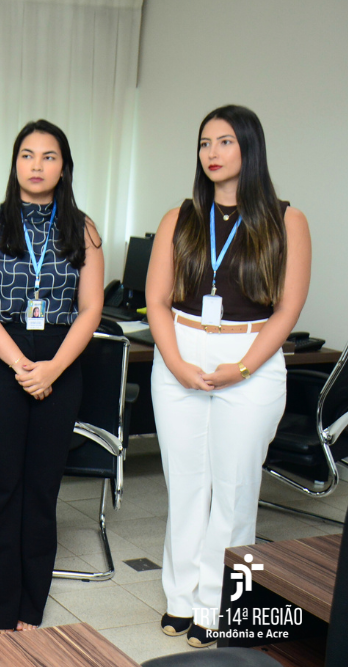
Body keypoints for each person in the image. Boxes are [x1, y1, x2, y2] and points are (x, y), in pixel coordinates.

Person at [146, 105, 310, 648]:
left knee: (235, 491)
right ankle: (181, 597)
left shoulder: (287, 220)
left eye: (224, 142)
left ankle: (222, 607)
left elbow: (287, 309)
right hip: (181, 354)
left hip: (251, 358)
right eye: (203, 144)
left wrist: (241, 367)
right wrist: (175, 362)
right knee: (187, 488)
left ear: (249, 149)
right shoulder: (180, 217)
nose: (212, 154)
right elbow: (156, 300)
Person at [0, 120, 104, 634]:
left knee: (42, 491)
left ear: (63, 166)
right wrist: (22, 365)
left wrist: (53, 368)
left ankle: (30, 607)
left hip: (60, 360)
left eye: (48, 156)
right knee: (1, 486)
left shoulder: (82, 228)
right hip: (3, 358)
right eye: (27, 155)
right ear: (15, 162)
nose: (37, 165)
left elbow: (90, 308)